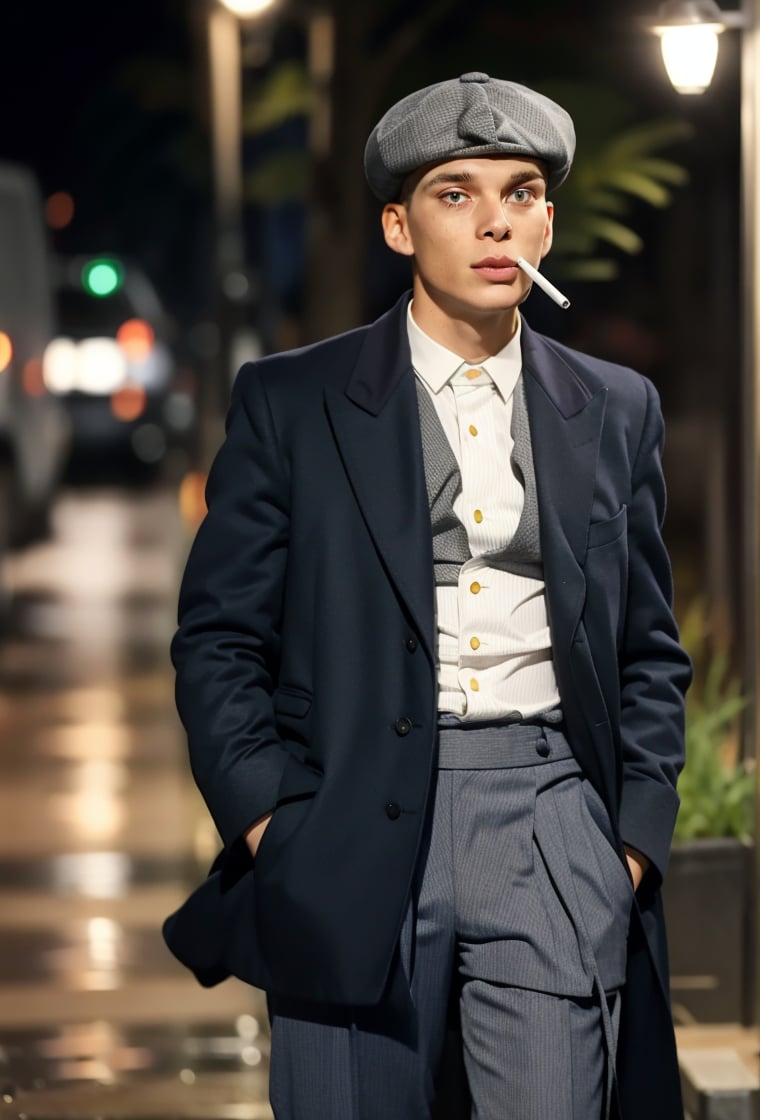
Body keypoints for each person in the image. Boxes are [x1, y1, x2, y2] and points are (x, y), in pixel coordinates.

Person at [164, 73, 692, 1119]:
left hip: (551, 820)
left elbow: (647, 646)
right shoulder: (292, 402)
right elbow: (219, 637)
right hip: (347, 825)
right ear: (398, 227)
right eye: (456, 193)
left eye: (524, 191)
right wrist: (274, 819)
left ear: (548, 220)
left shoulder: (615, 409)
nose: (497, 219)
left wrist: (627, 839)